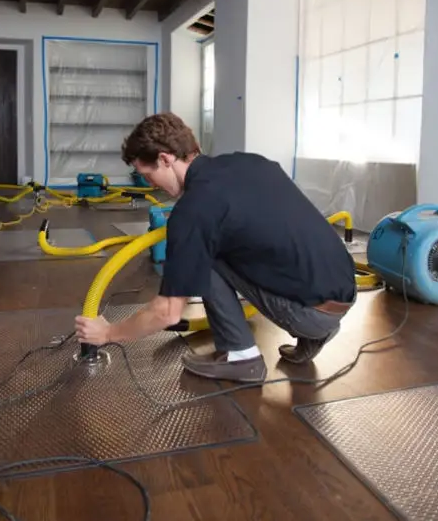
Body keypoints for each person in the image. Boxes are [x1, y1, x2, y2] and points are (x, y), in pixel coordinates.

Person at [74, 113, 357, 383]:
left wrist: (108, 332)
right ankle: (316, 333)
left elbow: (167, 313)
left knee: (203, 253)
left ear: (165, 159)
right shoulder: (252, 162)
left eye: (147, 175)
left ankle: (240, 356)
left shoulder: (193, 210)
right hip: (345, 288)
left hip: (312, 314)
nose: (150, 184)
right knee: (236, 244)